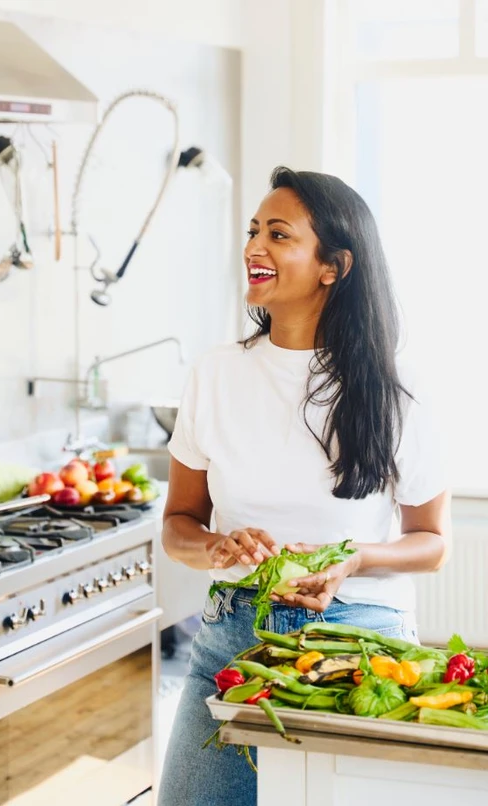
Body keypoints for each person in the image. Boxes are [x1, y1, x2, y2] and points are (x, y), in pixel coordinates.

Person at [157, 166, 450, 806]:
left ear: (333, 267)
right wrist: (215, 549)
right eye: (254, 230)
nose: (254, 248)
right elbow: (178, 523)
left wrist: (356, 558)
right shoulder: (216, 373)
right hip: (235, 636)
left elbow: (430, 542)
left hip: (362, 644)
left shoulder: (397, 388)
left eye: (279, 234)